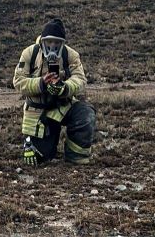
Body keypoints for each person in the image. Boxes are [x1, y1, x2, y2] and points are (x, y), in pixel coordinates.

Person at [13, 18, 96, 166]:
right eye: (49, 41)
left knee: (85, 113)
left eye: (57, 42)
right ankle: (40, 142)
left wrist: (64, 88)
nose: (53, 46)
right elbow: (18, 81)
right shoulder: (29, 53)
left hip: (63, 106)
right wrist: (41, 83)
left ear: (62, 42)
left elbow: (80, 80)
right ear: (43, 41)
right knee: (40, 158)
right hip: (39, 112)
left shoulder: (71, 55)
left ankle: (75, 158)